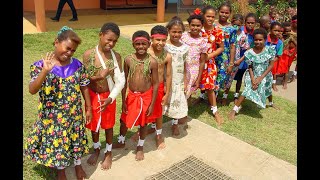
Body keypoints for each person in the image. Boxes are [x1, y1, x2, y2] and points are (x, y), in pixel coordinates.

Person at [24, 26, 91, 180]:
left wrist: (88, 108)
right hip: (53, 116)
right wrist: (44, 72)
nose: (69, 53)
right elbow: (32, 90)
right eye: (67, 48)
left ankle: (78, 164)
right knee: (59, 143)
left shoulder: (77, 66)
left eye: (72, 51)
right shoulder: (39, 66)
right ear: (56, 42)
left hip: (74, 114)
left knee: (76, 139)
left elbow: (85, 87)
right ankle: (61, 170)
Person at [82, 22, 125, 169]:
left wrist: (111, 98)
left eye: (114, 41)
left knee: (108, 125)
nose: (111, 43)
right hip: (93, 96)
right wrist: (98, 77)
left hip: (108, 96)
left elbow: (121, 81)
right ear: (100, 35)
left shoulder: (116, 57)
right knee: (94, 126)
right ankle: (96, 149)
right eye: (108, 39)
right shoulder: (88, 55)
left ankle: (108, 152)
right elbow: (84, 80)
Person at [113, 30, 159, 161]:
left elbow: (155, 84)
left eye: (144, 44)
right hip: (132, 96)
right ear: (133, 44)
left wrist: (152, 103)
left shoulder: (152, 62)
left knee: (143, 123)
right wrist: (124, 101)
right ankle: (121, 141)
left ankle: (140, 146)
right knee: (124, 120)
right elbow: (124, 81)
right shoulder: (128, 60)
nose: (141, 47)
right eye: (137, 44)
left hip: (146, 97)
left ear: (149, 44)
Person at [228, 28, 276, 120]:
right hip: (252, 74)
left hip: (265, 74)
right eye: (256, 39)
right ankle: (234, 109)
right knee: (248, 89)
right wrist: (253, 79)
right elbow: (250, 67)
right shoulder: (249, 53)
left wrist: (261, 78)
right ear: (253, 40)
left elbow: (271, 65)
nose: (258, 42)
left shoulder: (270, 50)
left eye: (260, 39)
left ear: (265, 40)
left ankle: (271, 103)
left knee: (267, 88)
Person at [145, 25, 172, 148]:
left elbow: (169, 75)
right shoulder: (145, 53)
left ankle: (159, 135)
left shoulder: (167, 56)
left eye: (163, 40)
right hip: (146, 88)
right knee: (145, 111)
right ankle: (142, 131)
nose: (160, 43)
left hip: (160, 88)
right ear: (151, 39)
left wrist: (167, 94)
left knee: (159, 112)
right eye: (158, 40)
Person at [163, 16, 189, 136]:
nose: (176, 34)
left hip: (178, 80)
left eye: (179, 32)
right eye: (174, 31)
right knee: (161, 103)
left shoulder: (184, 48)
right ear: (168, 31)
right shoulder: (164, 46)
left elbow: (184, 65)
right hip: (164, 79)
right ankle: (153, 126)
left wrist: (185, 80)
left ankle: (174, 124)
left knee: (176, 103)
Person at [199, 5, 224, 126]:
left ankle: (215, 111)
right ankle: (182, 111)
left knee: (210, 87)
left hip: (209, 62)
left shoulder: (218, 31)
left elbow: (221, 48)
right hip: (195, 63)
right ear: (203, 15)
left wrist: (210, 55)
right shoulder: (197, 28)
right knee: (190, 84)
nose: (210, 19)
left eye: (213, 17)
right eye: (208, 16)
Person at [181, 8, 208, 102]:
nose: (195, 28)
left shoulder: (203, 41)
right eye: (193, 25)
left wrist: (198, 78)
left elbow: (202, 61)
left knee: (188, 90)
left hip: (193, 70)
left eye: (198, 25)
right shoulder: (183, 36)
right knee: (181, 89)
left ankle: (184, 112)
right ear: (189, 25)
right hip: (181, 67)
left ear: (202, 26)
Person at [223, 13, 251, 105]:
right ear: (231, 23)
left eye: (239, 25)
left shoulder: (243, 36)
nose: (236, 27)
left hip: (235, 62)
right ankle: (215, 95)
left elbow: (247, 50)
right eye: (234, 24)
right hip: (224, 59)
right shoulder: (227, 32)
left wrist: (240, 60)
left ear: (242, 25)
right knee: (222, 77)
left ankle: (225, 97)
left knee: (230, 79)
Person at [213, 2, 236, 106]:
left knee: (221, 77)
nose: (224, 14)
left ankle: (215, 98)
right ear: (218, 12)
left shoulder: (232, 29)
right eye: (222, 12)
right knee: (211, 76)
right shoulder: (212, 25)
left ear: (230, 14)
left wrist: (231, 62)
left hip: (224, 57)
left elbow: (232, 46)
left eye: (226, 13)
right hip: (212, 55)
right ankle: (208, 96)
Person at [268, 21, 284, 93]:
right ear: (270, 30)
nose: (277, 32)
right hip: (261, 60)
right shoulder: (265, 39)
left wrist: (272, 61)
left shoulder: (280, 43)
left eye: (279, 31)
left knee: (273, 73)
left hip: (273, 61)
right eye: (275, 30)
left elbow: (279, 55)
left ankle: (273, 84)